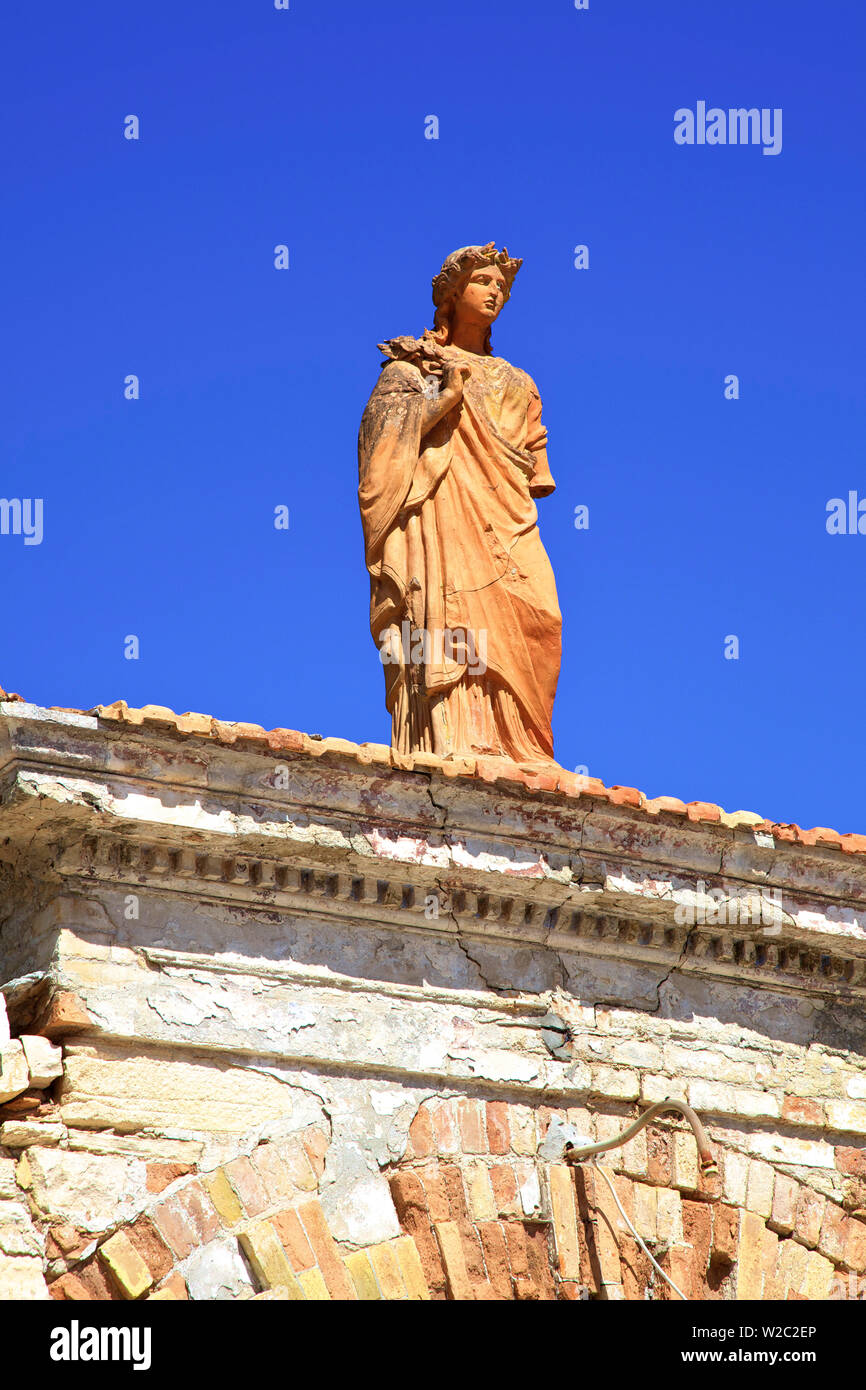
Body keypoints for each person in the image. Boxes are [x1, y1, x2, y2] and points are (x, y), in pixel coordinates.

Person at [358, 243, 562, 765]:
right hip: (443, 515)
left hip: (509, 520)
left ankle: (524, 751)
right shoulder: (416, 366)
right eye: (484, 283)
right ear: (452, 294)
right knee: (453, 625)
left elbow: (536, 469)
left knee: (542, 618)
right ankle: (454, 743)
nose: (496, 292)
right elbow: (379, 445)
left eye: (503, 287)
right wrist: (445, 401)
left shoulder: (521, 381)